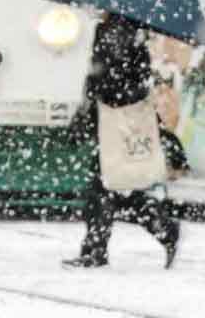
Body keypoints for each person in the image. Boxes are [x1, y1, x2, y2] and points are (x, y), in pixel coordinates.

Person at [65, 13, 181, 269]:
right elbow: (131, 79)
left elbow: (104, 79)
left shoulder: (115, 32)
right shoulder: (132, 32)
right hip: (114, 118)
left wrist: (91, 103)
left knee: (107, 185)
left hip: (113, 119)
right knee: (115, 185)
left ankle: (100, 248)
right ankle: (159, 228)